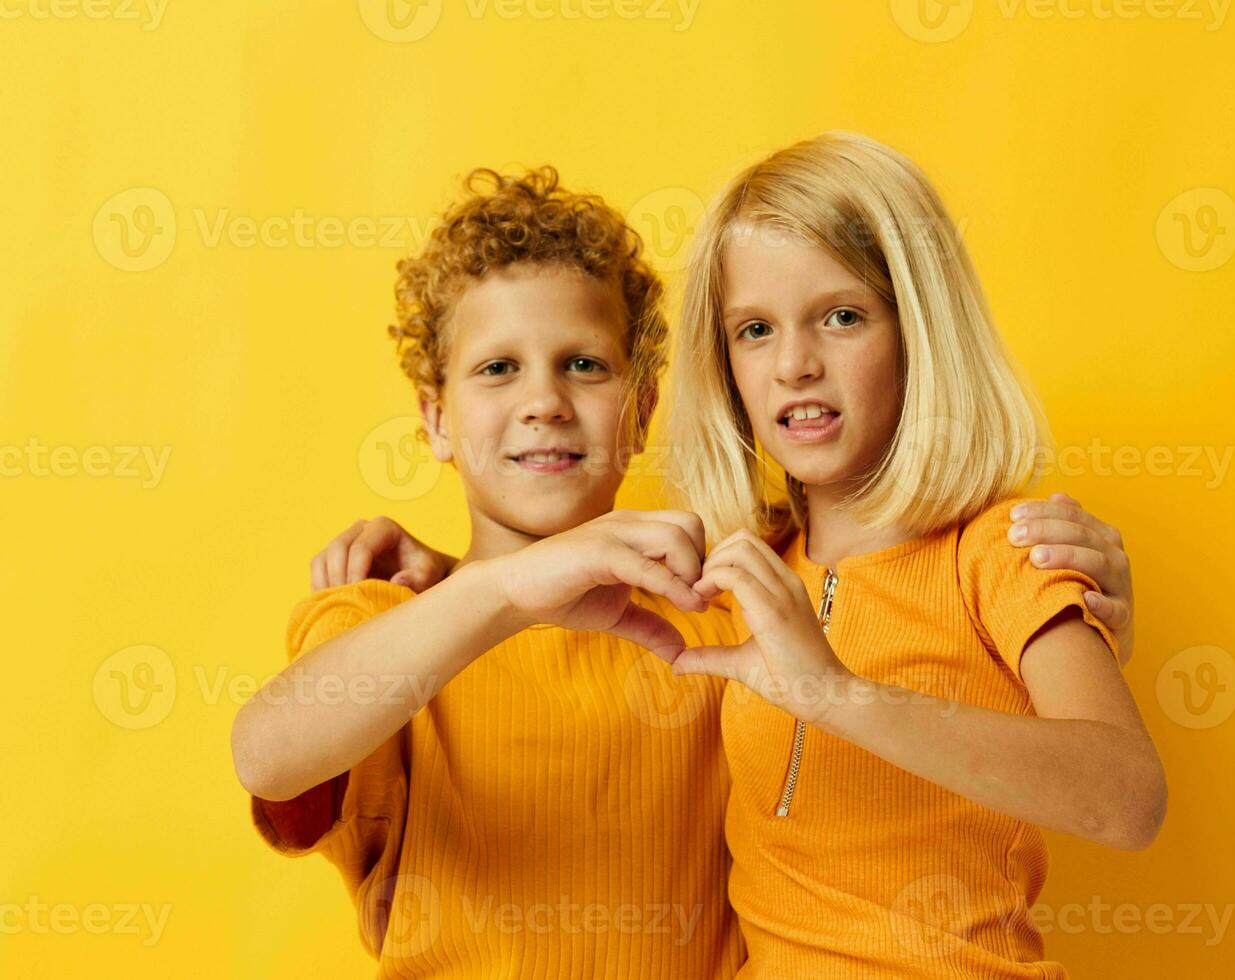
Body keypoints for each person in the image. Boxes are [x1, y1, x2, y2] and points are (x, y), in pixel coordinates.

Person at [661, 131, 1167, 978]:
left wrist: (835, 696)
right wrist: (431, 569)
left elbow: (1128, 799)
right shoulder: (745, 570)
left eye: (842, 316)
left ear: (918, 332)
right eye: (754, 330)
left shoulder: (1001, 555)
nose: (794, 364)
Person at [230, 167, 745, 977]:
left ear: (642, 412)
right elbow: (265, 755)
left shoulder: (719, 611)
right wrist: (500, 590)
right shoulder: (381, 620)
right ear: (437, 420)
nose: (543, 400)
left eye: (583, 365)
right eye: (498, 368)